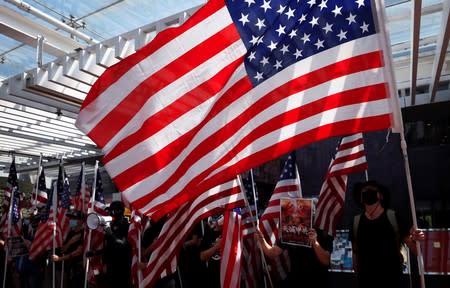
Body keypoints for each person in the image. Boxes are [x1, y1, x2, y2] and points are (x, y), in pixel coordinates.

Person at [350, 180, 425, 288]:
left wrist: (417, 239)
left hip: (392, 282)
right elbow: (355, 254)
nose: (368, 193)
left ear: (380, 195)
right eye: (364, 191)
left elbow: (416, 250)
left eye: (371, 190)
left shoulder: (393, 218)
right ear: (361, 198)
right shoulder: (355, 222)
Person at [255, 223, 333, 288]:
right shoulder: (291, 231)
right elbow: (272, 253)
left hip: (317, 281)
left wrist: (315, 242)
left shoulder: (322, 229)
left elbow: (326, 260)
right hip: (296, 280)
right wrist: (262, 240)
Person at [86, 201, 132, 288]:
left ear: (120, 211)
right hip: (111, 265)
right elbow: (110, 247)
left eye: (113, 211)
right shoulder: (111, 225)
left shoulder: (126, 226)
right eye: (110, 211)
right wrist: (95, 252)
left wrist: (109, 232)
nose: (110, 213)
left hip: (122, 266)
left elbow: (122, 244)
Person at [50, 210, 85, 288]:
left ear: (81, 220)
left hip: (78, 269)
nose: (71, 220)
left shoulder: (84, 233)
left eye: (74, 218)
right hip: (69, 268)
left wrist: (60, 259)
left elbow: (78, 252)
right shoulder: (71, 233)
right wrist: (70, 242)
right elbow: (63, 249)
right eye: (71, 218)